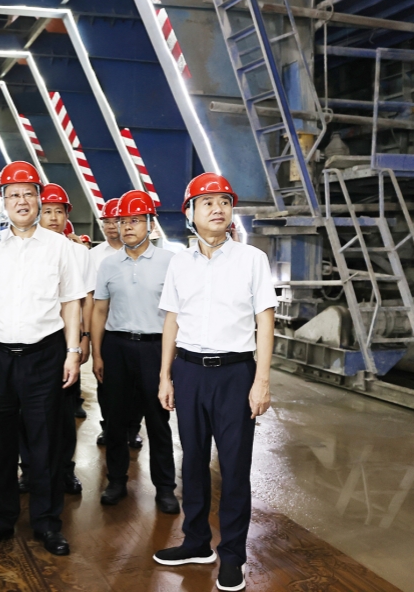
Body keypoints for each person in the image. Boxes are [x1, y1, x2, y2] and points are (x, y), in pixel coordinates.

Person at [153, 173, 276, 592]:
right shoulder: (180, 262)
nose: (217, 208)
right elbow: (172, 320)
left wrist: (261, 380)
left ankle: (233, 556)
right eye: (207, 202)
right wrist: (165, 375)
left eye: (224, 201)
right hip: (188, 371)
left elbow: (265, 321)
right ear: (190, 213)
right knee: (192, 460)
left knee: (235, 466)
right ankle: (196, 543)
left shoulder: (251, 260)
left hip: (235, 373)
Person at [0, 161, 85, 557]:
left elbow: (71, 304)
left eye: (28, 193)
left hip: (44, 355)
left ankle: (47, 522)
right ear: (3, 201)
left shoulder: (61, 248)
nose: (21, 201)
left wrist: (73, 352)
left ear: (39, 199)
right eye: (13, 194)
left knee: (45, 442)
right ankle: (0, 519)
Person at [90, 190, 179, 514]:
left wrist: (169, 364)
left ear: (150, 225)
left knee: (158, 420)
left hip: (155, 347)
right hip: (116, 346)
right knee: (115, 419)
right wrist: (97, 354)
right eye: (123, 221)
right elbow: (99, 311)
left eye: (135, 220)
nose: (127, 227)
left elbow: (176, 315)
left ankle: (165, 488)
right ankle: (116, 481)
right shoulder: (108, 264)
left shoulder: (171, 262)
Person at [18, 184, 94, 497]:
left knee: (64, 413)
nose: (52, 217)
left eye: (58, 211)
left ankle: (65, 469)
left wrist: (84, 338)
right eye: (47, 210)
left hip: (67, 342)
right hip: (37, 342)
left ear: (66, 216)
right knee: (28, 412)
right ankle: (29, 470)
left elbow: (86, 299)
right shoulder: (27, 247)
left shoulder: (78, 252)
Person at [91, 198, 143, 449]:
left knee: (138, 388)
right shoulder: (94, 257)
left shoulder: (144, 255)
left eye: (117, 221)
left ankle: (133, 428)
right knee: (107, 385)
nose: (112, 226)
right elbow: (92, 300)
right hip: (108, 330)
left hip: (138, 329)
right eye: (108, 222)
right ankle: (109, 427)